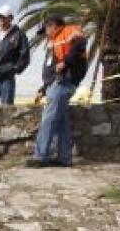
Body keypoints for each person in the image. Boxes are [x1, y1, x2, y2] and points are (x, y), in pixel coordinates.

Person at [26, 15, 89, 168]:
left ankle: (40, 156)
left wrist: (65, 62)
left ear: (53, 25)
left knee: (48, 118)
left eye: (46, 30)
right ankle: (64, 158)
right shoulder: (55, 41)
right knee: (62, 122)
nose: (46, 34)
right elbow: (51, 70)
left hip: (64, 83)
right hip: (57, 84)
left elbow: (81, 42)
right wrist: (43, 88)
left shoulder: (70, 31)